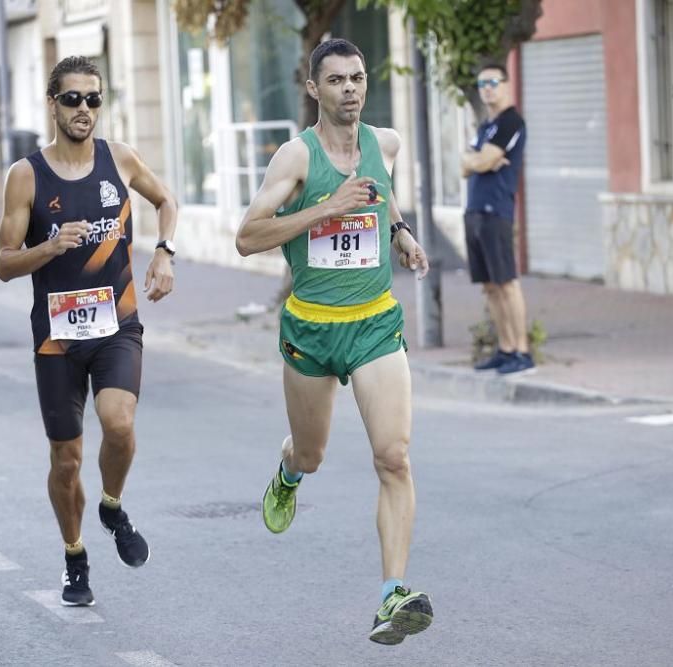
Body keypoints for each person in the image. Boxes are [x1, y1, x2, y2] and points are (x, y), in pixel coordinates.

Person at [235, 38, 434, 646]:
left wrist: (398, 229)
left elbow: (384, 188)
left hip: (375, 323)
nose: (351, 88)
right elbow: (247, 237)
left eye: (358, 77)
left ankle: (391, 594)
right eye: (337, 80)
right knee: (313, 454)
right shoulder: (295, 159)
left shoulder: (385, 143)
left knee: (393, 456)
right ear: (313, 89)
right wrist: (326, 210)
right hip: (312, 329)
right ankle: (289, 472)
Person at [0, 56, 179, 607]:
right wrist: (48, 247)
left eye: (93, 99)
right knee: (66, 459)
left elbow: (166, 200)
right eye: (72, 99)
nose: (84, 110)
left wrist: (164, 253)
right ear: (52, 103)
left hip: (117, 323)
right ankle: (75, 554)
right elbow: (3, 263)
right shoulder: (26, 175)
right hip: (56, 338)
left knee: (118, 425)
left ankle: (112, 505)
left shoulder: (119, 160)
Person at [461, 63, 533, 375]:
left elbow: (484, 159)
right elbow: (466, 165)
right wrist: (479, 161)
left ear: (506, 84)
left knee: (507, 284)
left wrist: (480, 160)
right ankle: (505, 348)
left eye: (493, 82)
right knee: (489, 286)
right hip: (474, 211)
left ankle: (522, 351)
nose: (487, 88)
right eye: (482, 83)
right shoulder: (485, 127)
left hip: (496, 212)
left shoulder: (511, 122)